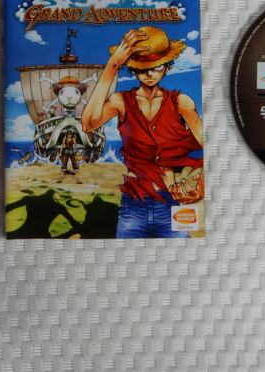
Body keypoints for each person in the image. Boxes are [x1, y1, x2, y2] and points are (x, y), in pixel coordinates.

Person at [82, 26, 203, 238]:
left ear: (166, 67)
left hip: (171, 202)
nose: (149, 73)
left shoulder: (181, 102)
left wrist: (201, 185)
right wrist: (113, 65)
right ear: (133, 68)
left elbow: (207, 145)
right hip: (133, 205)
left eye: (157, 67)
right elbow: (88, 123)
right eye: (142, 68)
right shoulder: (121, 101)